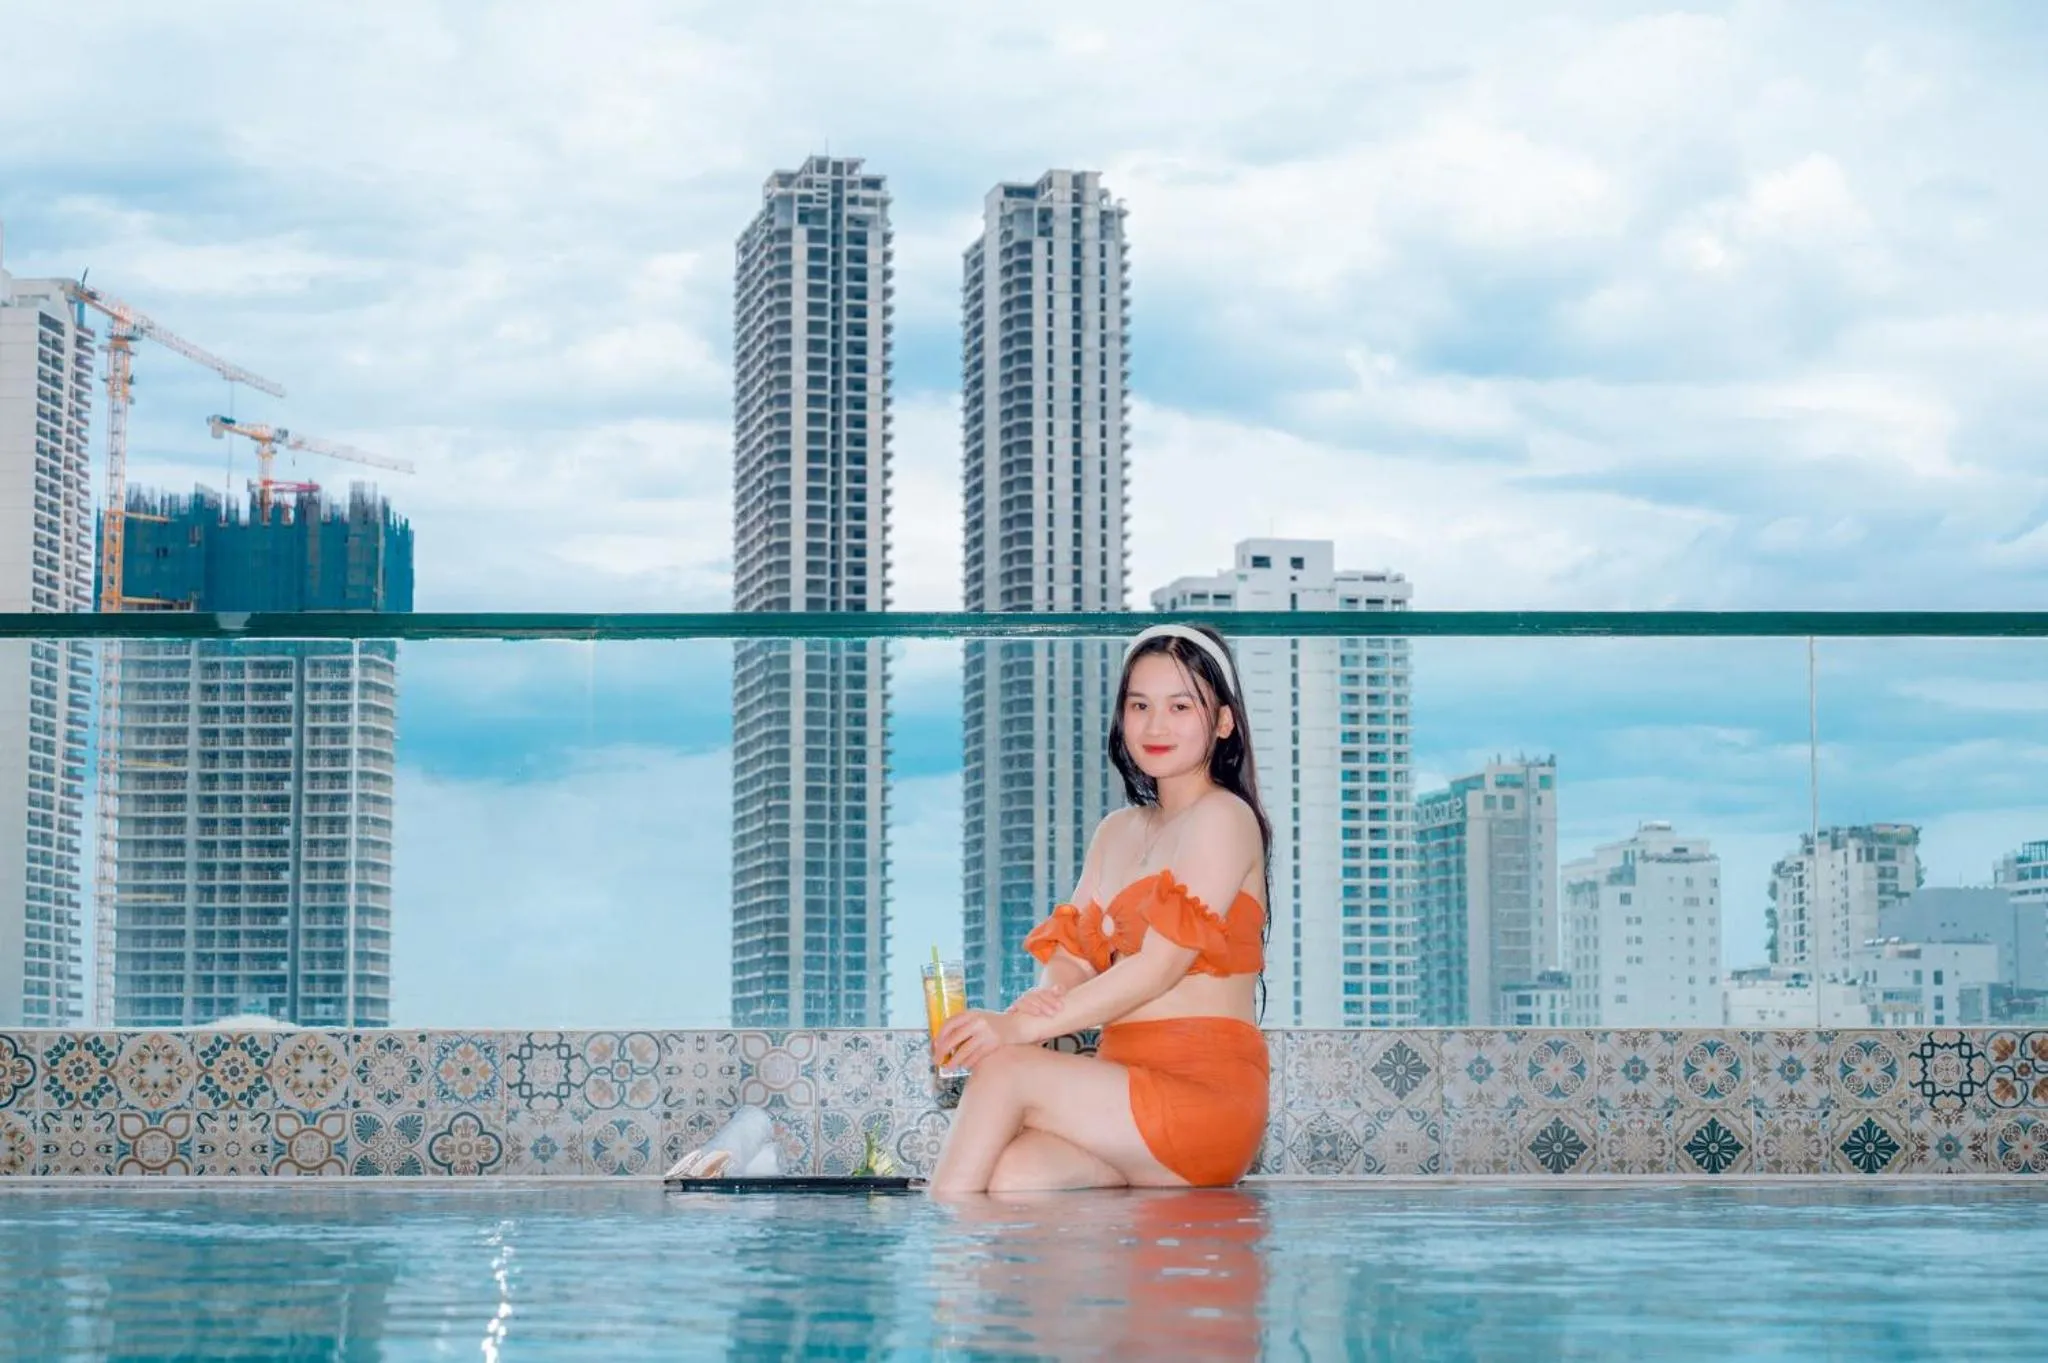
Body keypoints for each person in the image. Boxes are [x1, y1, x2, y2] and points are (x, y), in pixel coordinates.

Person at [931, 623, 1273, 1193]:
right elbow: (1073, 952)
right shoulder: (1116, 832)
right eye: (1139, 705)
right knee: (1017, 1180)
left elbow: (1160, 966)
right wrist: (1048, 997)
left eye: (1180, 706)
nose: (1155, 725)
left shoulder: (1225, 818)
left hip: (1206, 1097)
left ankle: (940, 1259)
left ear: (1222, 722)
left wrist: (1016, 1030)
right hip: (1123, 1087)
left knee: (1006, 1069)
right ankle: (1112, 1278)